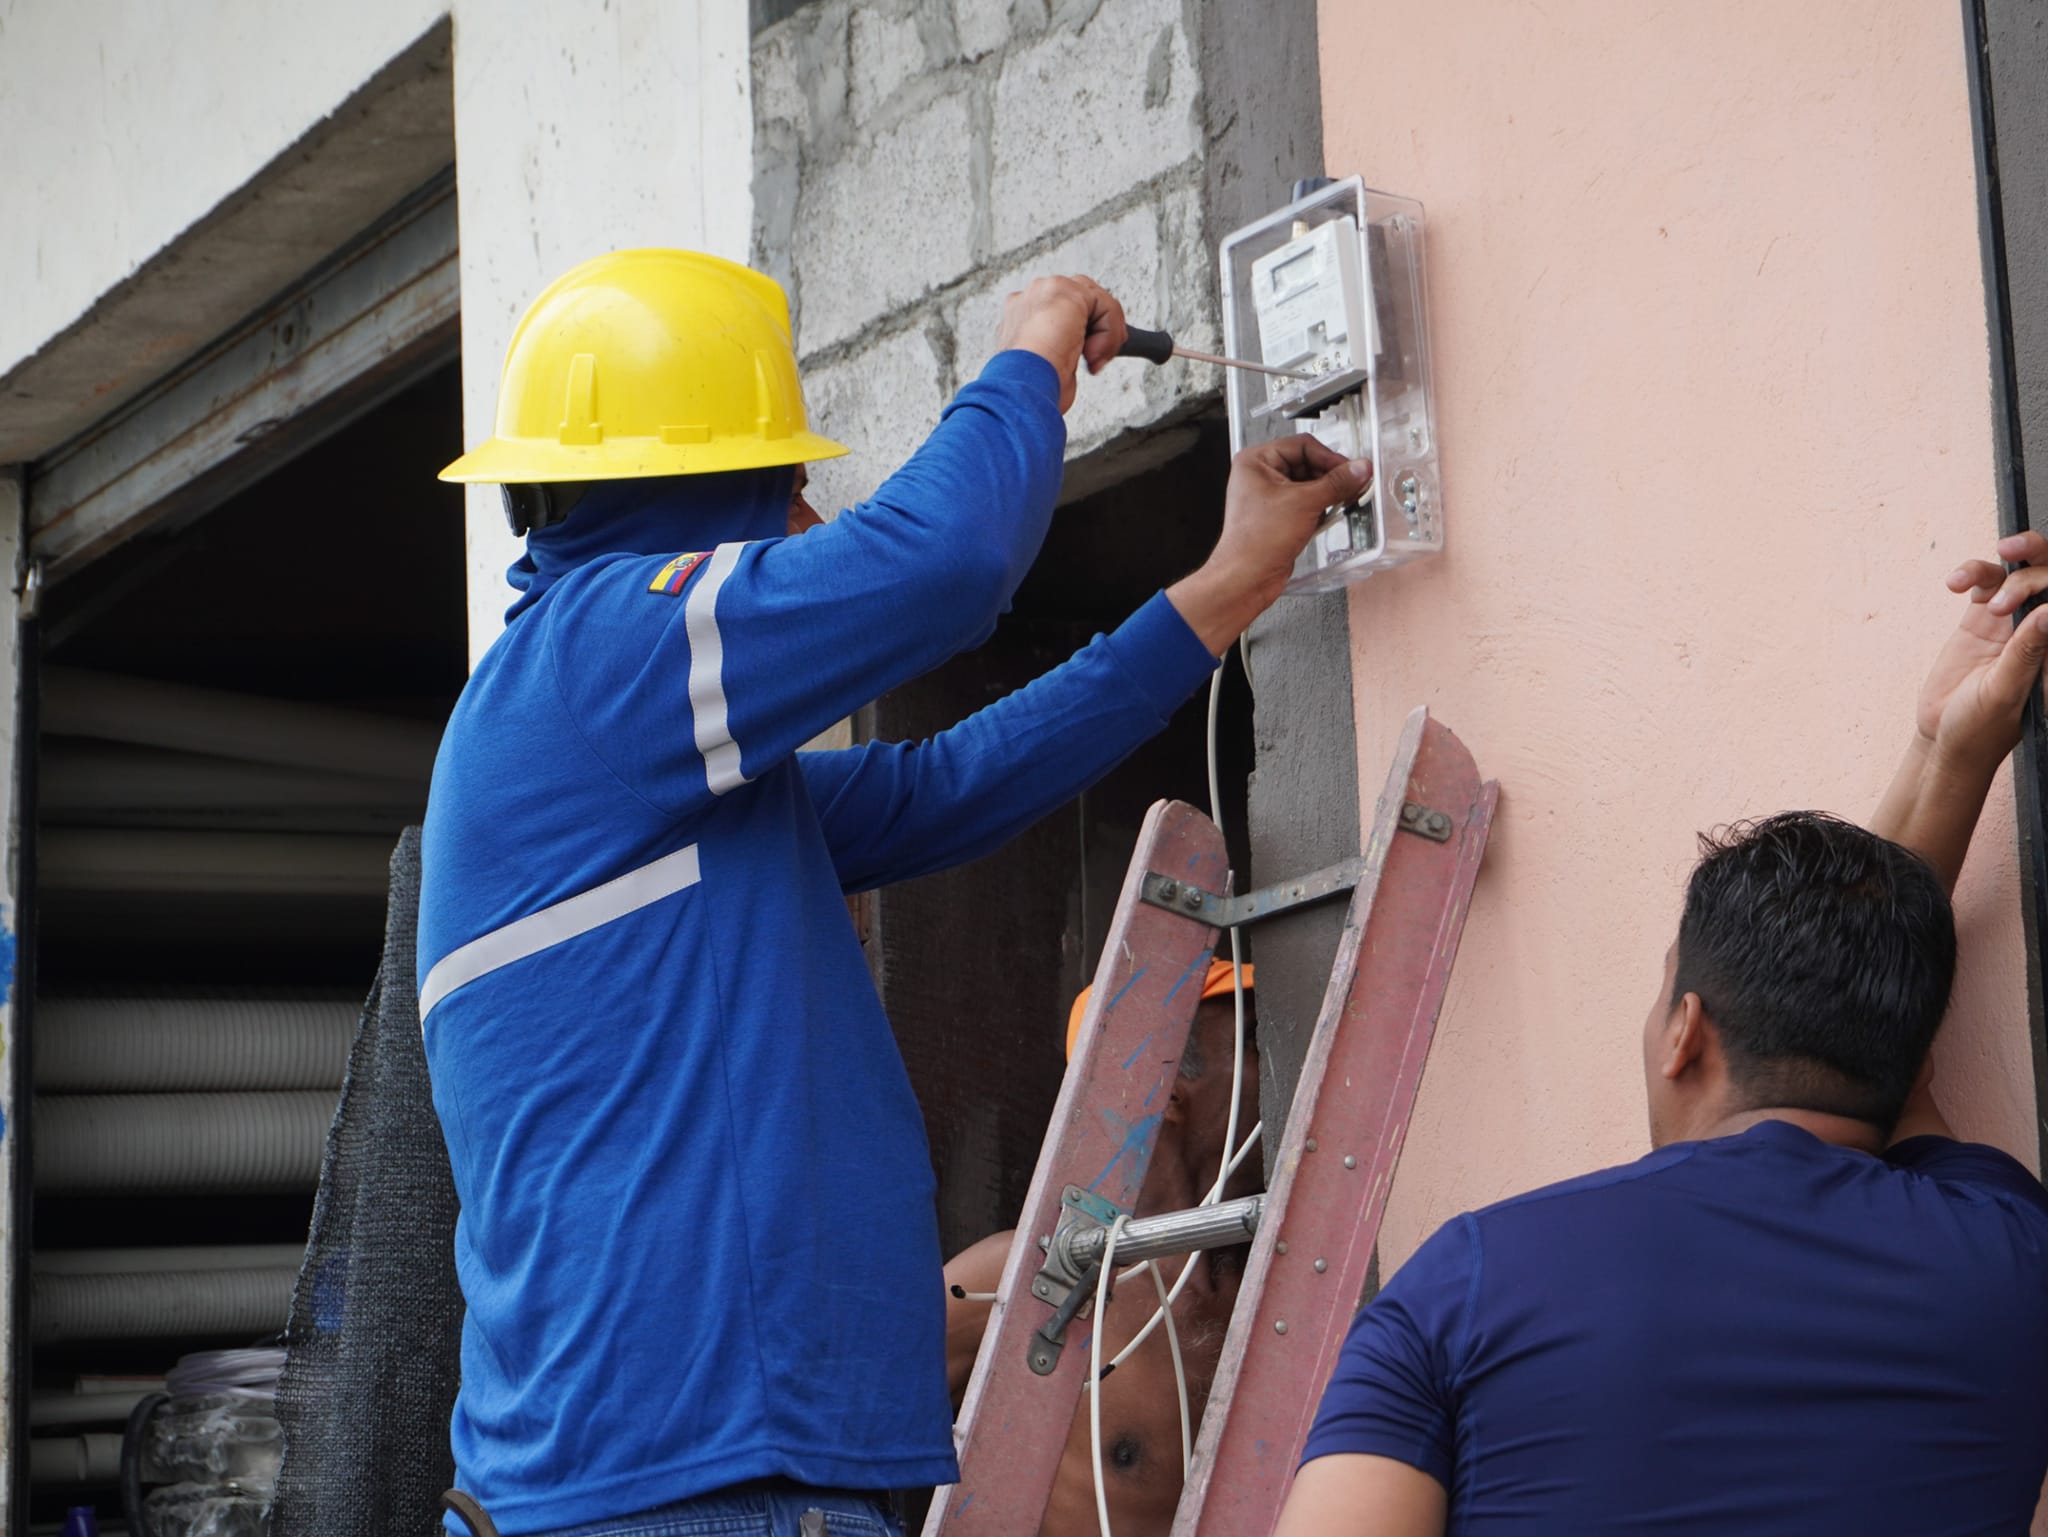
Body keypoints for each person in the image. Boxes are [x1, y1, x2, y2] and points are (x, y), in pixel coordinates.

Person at [416, 250, 1372, 1537]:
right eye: (784, 488)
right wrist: (1032, 350)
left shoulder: (611, 760)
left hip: (671, 1484)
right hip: (682, 1494)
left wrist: (1227, 587)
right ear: (697, 492)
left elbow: (946, 787)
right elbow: (941, 564)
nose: (811, 528)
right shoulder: (596, 653)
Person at [1275, 533, 2048, 1537]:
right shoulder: (2010, 1251)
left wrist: (1947, 750)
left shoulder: (1467, 1282)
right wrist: (1951, 751)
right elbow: (1868, 1019)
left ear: (1684, 1032)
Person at [943, 962, 1263, 1537]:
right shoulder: (1024, 1275)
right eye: (1256, 1043)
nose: (1288, 1060)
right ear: (1168, 1091)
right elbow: (834, 1411)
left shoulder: (1287, 1285)